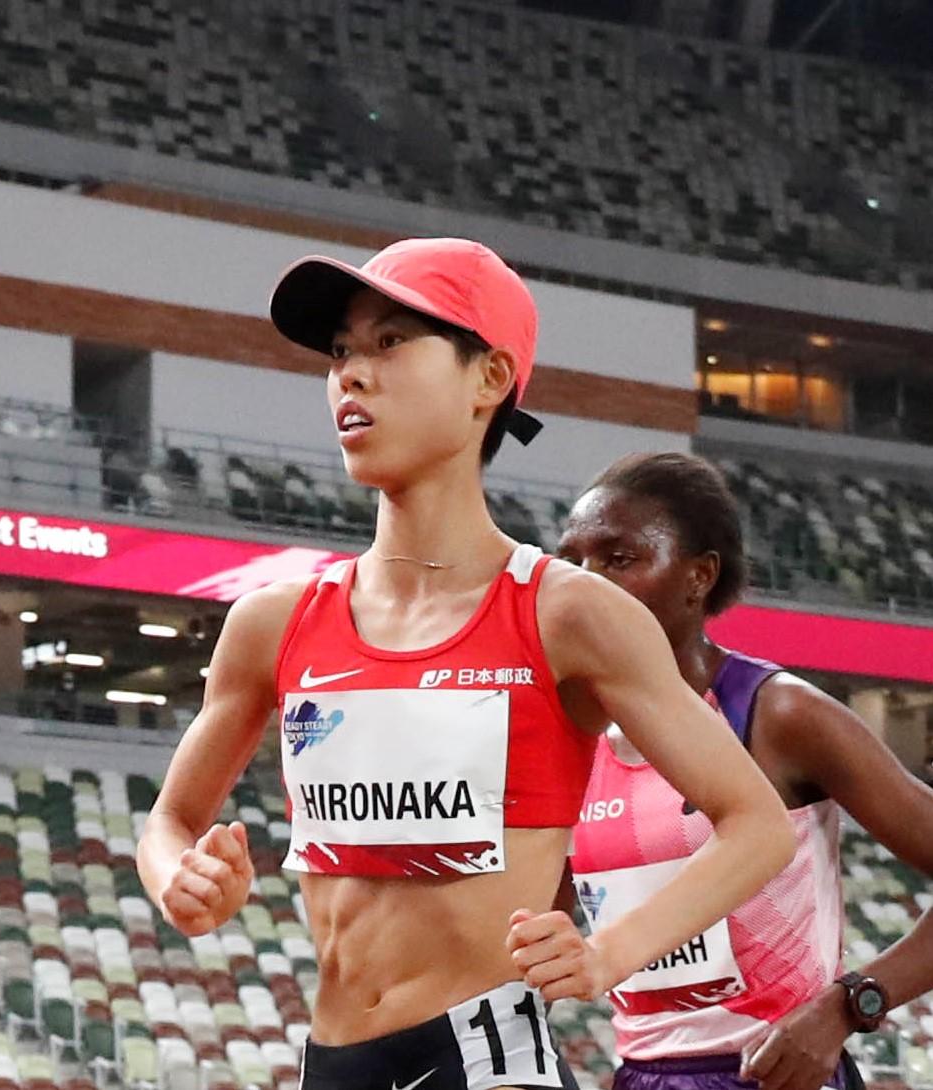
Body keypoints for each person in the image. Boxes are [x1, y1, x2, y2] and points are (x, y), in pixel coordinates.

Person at [136, 237, 797, 1090]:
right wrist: (178, 879)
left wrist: (606, 955)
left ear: (489, 379)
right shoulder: (272, 622)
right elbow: (168, 824)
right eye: (340, 353)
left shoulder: (567, 613)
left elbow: (759, 824)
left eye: (389, 343)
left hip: (487, 1060)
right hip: (329, 1063)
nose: (351, 375)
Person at [559, 452, 933, 1090]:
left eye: (620, 559)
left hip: (775, 1075)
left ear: (699, 576)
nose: (587, 582)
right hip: (641, 1077)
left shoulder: (779, 713)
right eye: (572, 562)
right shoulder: (570, 732)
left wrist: (850, 1004)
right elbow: (554, 917)